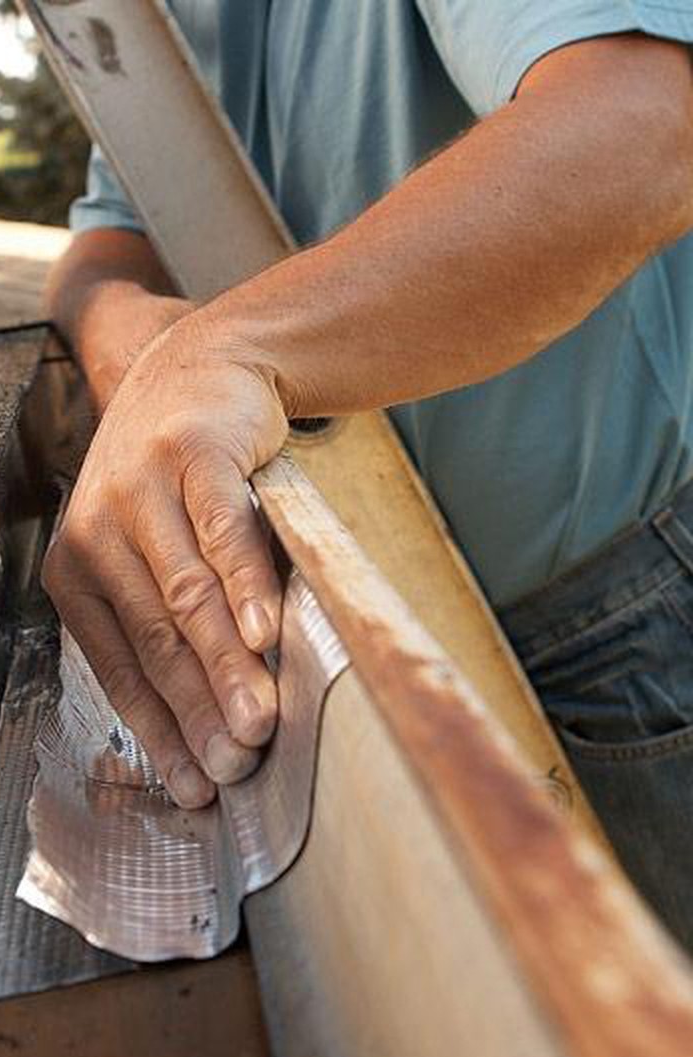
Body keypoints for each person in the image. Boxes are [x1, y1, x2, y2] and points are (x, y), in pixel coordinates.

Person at [41, 1, 693, 949]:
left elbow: (644, 124)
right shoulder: (151, 23)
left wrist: (234, 353)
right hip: (359, 640)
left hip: (617, 637)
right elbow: (101, 248)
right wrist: (136, 343)